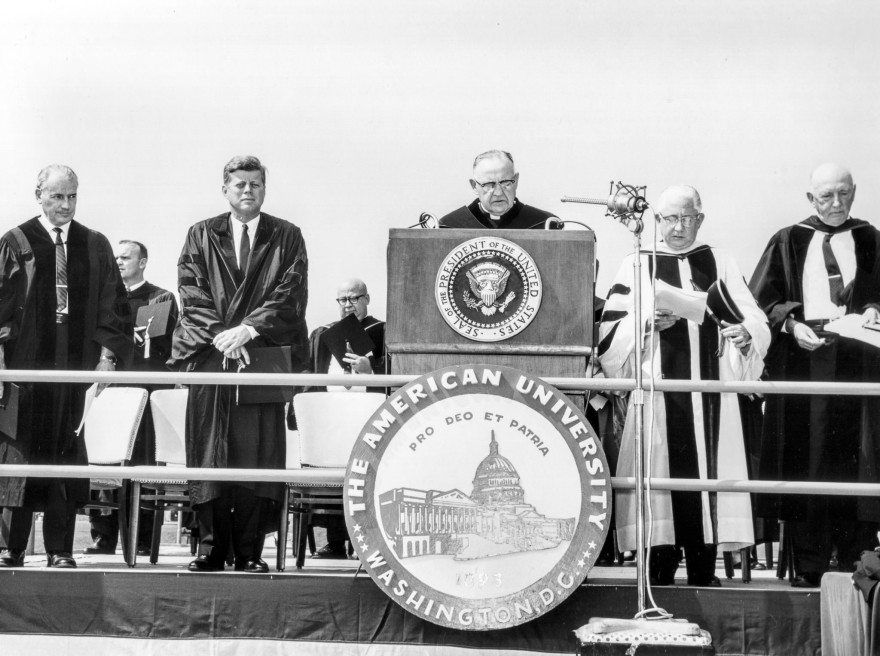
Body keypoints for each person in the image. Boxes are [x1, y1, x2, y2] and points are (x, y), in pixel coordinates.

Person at [598, 185, 770, 586]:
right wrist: (643, 323)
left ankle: (703, 572)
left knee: (706, 480)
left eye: (686, 218)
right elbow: (610, 326)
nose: (677, 227)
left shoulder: (720, 260)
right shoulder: (638, 261)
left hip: (708, 390)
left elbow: (753, 316)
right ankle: (658, 573)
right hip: (660, 388)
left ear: (700, 219)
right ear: (657, 220)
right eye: (669, 219)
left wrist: (746, 335)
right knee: (659, 478)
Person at [170, 155, 309, 573]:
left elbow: (291, 292)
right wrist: (222, 336)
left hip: (261, 355)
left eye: (255, 184)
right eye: (239, 184)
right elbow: (190, 290)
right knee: (210, 454)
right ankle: (210, 548)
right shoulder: (201, 234)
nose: (247, 191)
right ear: (225, 188)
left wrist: (248, 330)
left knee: (255, 455)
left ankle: (249, 551)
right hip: (213, 356)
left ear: (264, 188)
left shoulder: (286, 236)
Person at [749, 163, 880, 588]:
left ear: (855, 191)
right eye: (827, 196)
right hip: (804, 355)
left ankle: (855, 564)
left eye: (844, 193)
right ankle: (810, 564)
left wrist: (875, 309)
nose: (837, 204)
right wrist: (790, 324)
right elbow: (760, 302)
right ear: (811, 199)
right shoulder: (788, 240)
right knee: (807, 457)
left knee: (859, 460)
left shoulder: (871, 238)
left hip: (861, 360)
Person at [0, 165, 131, 568]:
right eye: (57, 196)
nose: (66, 205)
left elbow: (114, 307)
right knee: (17, 456)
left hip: (72, 373)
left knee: (64, 457)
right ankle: (10, 547)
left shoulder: (94, 244)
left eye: (72, 196)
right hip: (25, 373)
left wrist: (107, 358)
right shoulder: (15, 240)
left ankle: (60, 549)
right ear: (38, 194)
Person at [85, 240, 178, 556]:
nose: (119, 261)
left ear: (143, 261)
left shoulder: (159, 298)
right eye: (116, 257)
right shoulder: (104, 298)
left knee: (142, 465)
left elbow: (146, 345)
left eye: (126, 257)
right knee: (105, 465)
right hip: (108, 393)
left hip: (145, 392)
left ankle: (141, 536)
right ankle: (103, 535)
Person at [304, 278, 385, 559]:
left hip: (368, 416)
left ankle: (365, 543)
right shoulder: (322, 334)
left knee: (365, 480)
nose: (348, 305)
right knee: (333, 476)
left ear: (367, 299)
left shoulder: (383, 331)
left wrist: (370, 368)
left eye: (354, 298)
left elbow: (395, 369)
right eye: (343, 300)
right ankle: (335, 542)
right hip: (332, 415)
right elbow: (310, 374)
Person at [438, 150, 560, 229]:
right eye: (489, 184)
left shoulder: (545, 224)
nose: (498, 192)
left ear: (516, 181)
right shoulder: (448, 226)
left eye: (506, 183)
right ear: (474, 186)